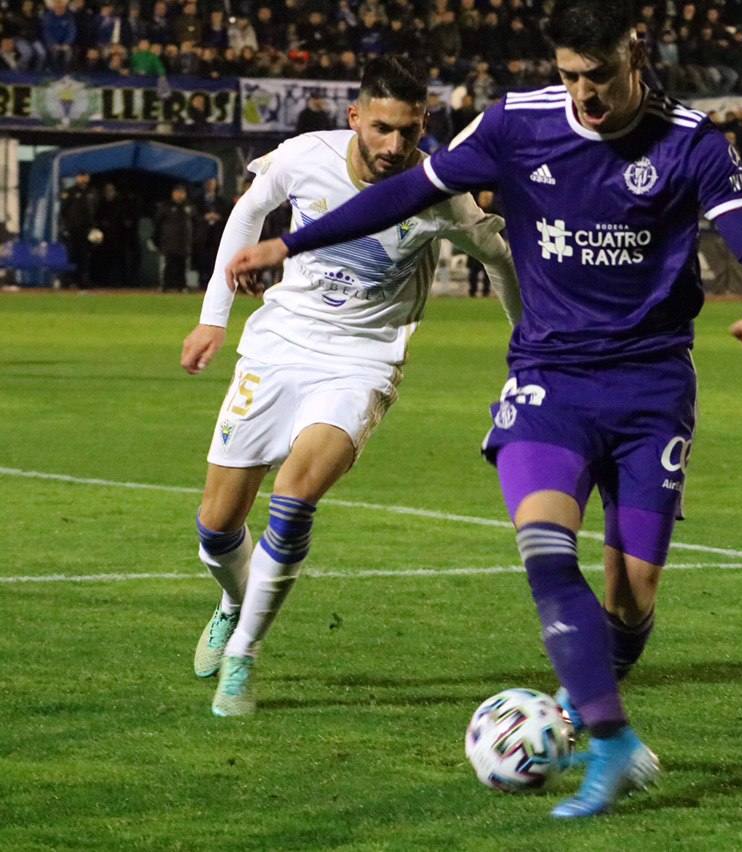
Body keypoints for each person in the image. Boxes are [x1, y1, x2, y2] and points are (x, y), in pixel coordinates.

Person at [226, 0, 742, 819]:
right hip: (549, 377)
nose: (583, 94)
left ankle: (588, 704)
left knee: (632, 595)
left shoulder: (691, 140)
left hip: (651, 385)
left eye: (598, 76)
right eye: (568, 75)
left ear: (634, 58)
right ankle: (611, 738)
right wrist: (290, 242)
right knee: (544, 551)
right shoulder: (517, 126)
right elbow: (406, 193)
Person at [180, 57, 520, 719]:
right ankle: (232, 601)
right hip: (279, 348)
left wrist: (531, 353)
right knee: (217, 527)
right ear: (355, 118)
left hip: (363, 361)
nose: (396, 146)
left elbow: (502, 261)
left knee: (294, 497)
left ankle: (245, 652)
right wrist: (212, 319)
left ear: (424, 124)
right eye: (384, 129)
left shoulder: (439, 191)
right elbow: (249, 213)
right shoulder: (306, 157)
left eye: (410, 131)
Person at [154, 184, 195, 292]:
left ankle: (182, 286)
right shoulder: (166, 206)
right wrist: (157, 240)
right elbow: (157, 224)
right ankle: (165, 286)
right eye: (177, 192)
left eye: (182, 192)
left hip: (184, 242)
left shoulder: (189, 207)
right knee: (168, 265)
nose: (179, 195)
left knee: (183, 266)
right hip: (169, 242)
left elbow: (196, 222)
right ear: (173, 193)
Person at [60, 171, 97, 288]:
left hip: (86, 230)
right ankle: (69, 280)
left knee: (85, 256)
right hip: (72, 229)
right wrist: (65, 227)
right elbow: (63, 211)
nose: (83, 179)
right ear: (77, 178)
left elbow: (95, 209)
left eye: (85, 177)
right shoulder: (70, 192)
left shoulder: (92, 192)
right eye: (81, 177)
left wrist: (93, 226)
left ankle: (83, 281)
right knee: (71, 255)